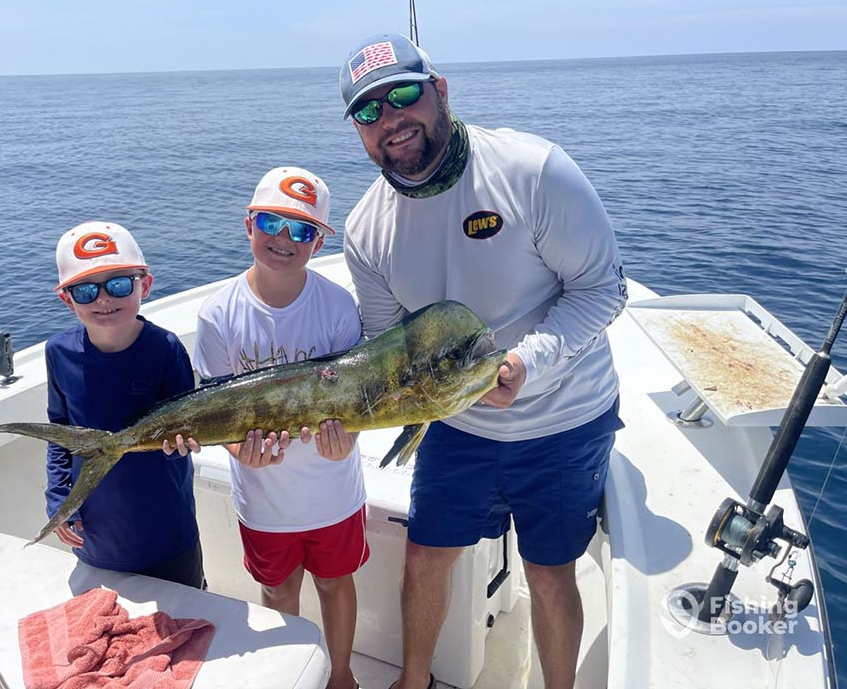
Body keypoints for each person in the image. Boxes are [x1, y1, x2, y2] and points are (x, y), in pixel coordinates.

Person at [338, 34, 627, 689]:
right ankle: (413, 683)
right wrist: (337, 427)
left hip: (563, 419)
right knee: (425, 557)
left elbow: (604, 288)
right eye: (369, 112)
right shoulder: (364, 229)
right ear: (358, 130)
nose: (391, 120)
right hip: (457, 425)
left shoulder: (532, 169)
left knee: (550, 574)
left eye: (403, 96)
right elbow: (386, 351)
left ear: (439, 91)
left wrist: (528, 364)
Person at [191, 167, 367, 689]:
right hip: (263, 498)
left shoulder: (338, 308)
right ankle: (293, 676)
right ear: (249, 224)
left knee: (337, 583)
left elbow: (354, 401)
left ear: (318, 242)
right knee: (279, 590)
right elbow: (215, 412)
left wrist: (347, 442)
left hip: (333, 492)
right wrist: (238, 452)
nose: (284, 240)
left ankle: (340, 676)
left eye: (302, 230)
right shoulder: (218, 314)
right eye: (272, 221)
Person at [44, 220, 204, 588]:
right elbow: (59, 436)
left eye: (118, 284)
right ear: (66, 299)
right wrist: (59, 502)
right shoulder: (58, 353)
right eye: (85, 290)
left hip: (168, 534)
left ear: (144, 285)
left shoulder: (166, 349)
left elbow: (183, 439)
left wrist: (183, 444)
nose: (103, 299)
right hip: (96, 536)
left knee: (188, 630)